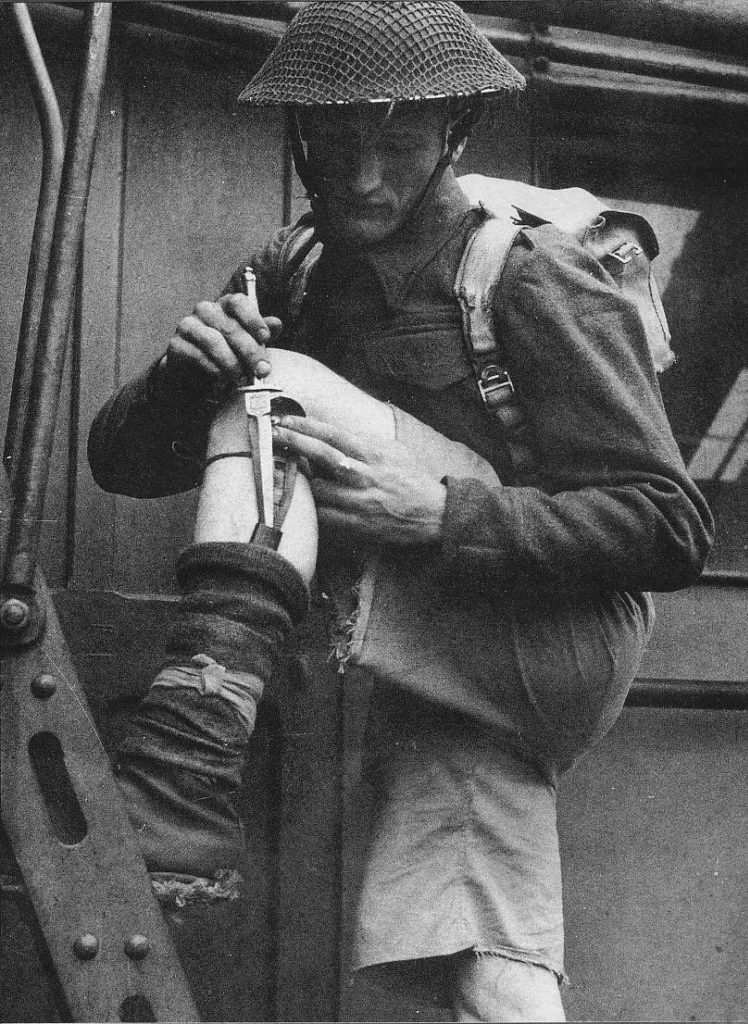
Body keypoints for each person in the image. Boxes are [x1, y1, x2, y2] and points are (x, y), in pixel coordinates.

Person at [88, 2, 714, 1020]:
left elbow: (671, 525)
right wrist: (176, 374)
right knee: (491, 966)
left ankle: (186, 754)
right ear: (299, 135)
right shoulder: (291, 268)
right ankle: (192, 754)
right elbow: (120, 462)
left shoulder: (531, 270)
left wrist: (438, 514)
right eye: (335, 144)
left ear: (453, 136)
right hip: (448, 659)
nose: (362, 176)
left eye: (397, 143)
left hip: (562, 637)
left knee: (276, 385)